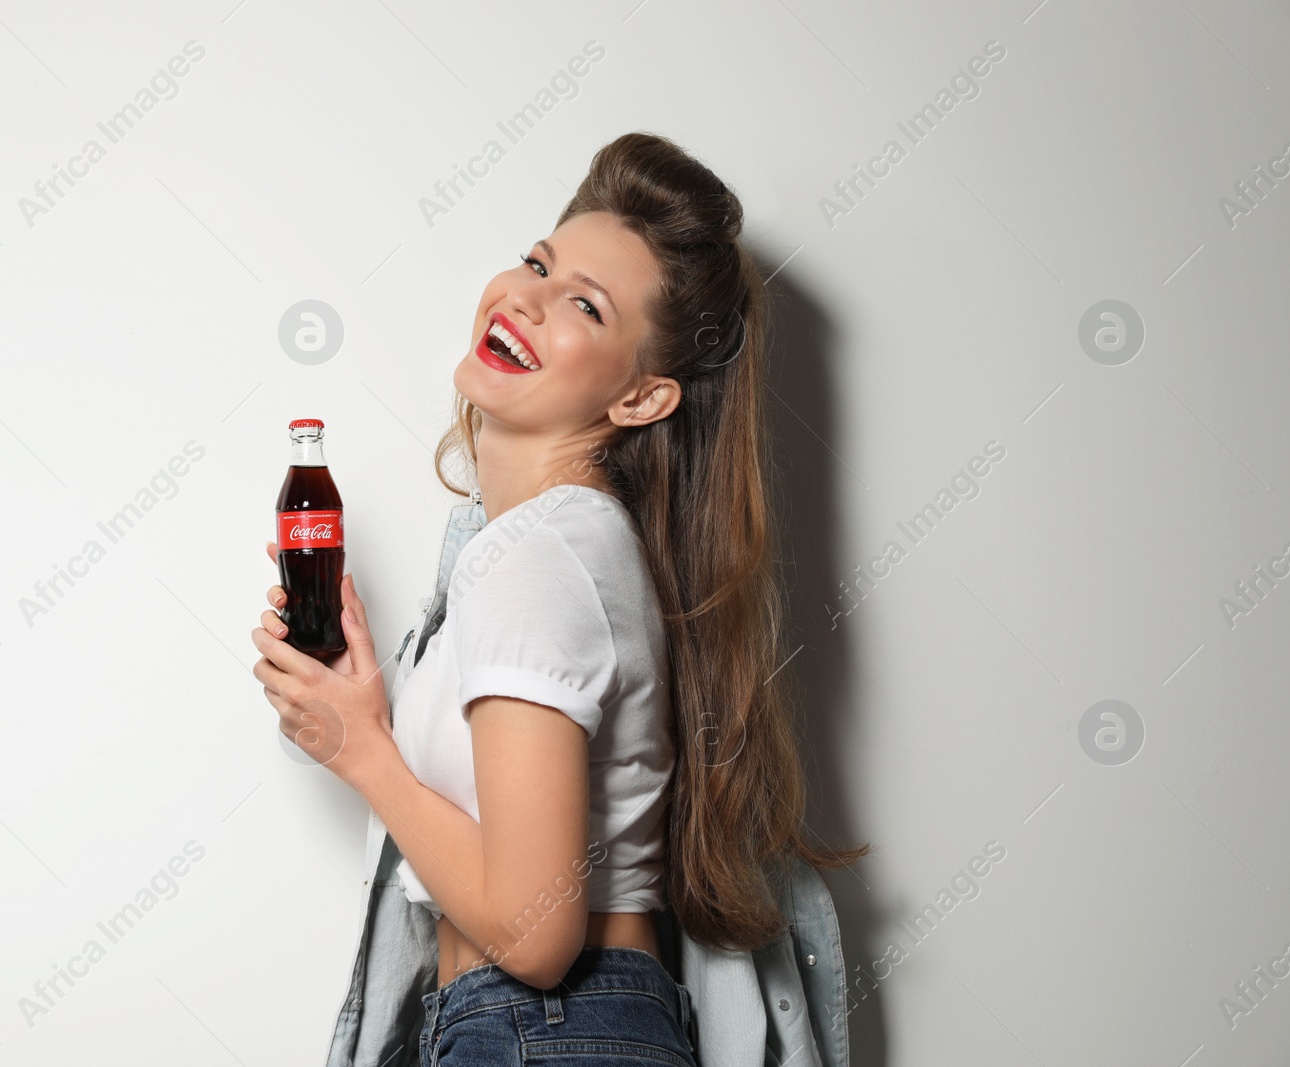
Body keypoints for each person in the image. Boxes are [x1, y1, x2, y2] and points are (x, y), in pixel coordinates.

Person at [252, 131, 868, 1065]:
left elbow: (538, 936)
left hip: (545, 1029)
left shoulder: (538, 557)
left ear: (642, 398)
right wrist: (362, 714)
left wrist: (364, 752)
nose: (528, 297)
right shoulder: (553, 548)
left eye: (583, 302)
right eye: (539, 261)